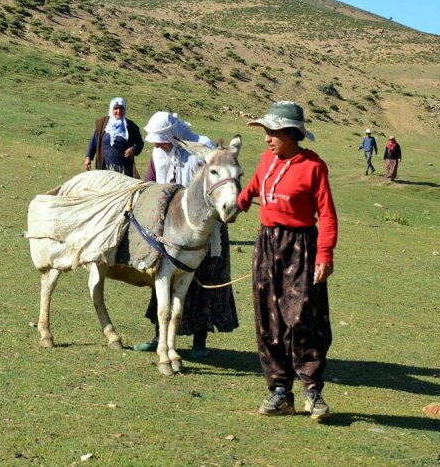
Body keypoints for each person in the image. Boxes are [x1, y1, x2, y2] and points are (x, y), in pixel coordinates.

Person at [237, 101, 338, 422]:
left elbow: (328, 215)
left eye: (273, 132)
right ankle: (280, 391)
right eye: (266, 131)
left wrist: (325, 254)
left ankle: (312, 391)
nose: (267, 138)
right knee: (268, 319)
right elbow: (257, 182)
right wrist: (243, 198)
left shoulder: (313, 167)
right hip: (267, 243)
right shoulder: (268, 158)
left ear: (291, 133)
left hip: (300, 247)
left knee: (302, 318)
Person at [133, 111, 239, 358]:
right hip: (170, 227)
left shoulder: (202, 151)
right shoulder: (158, 155)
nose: (157, 144)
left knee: (205, 279)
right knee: (162, 278)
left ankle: (199, 342)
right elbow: (151, 184)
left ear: (173, 135)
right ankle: (160, 336)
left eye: (161, 139)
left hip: (205, 227)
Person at [84, 97, 144, 177]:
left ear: (124, 109)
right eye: (116, 108)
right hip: (105, 168)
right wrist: (88, 157)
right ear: (111, 109)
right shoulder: (102, 123)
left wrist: (134, 149)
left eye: (121, 108)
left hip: (124, 169)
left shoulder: (131, 126)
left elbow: (140, 143)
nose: (118, 111)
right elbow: (94, 142)